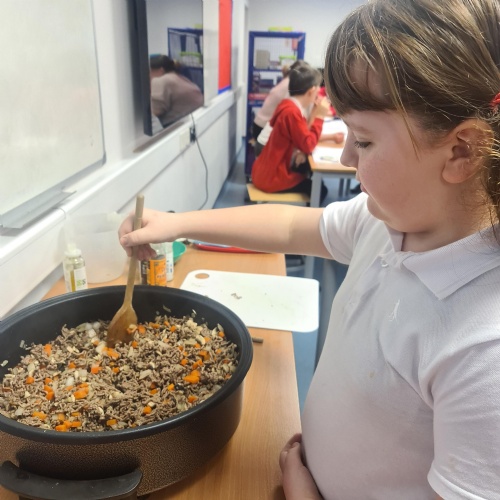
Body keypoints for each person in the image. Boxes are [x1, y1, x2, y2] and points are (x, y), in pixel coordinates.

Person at [118, 0, 500, 497]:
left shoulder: (483, 349)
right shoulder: (383, 221)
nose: (345, 156)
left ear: (462, 150)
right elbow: (290, 224)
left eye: (363, 140)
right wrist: (176, 223)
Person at [251, 62, 330, 203]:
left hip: (263, 171)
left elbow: (301, 135)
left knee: (304, 169)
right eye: (318, 90)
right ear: (311, 91)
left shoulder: (288, 105)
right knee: (319, 189)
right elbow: (308, 144)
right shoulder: (292, 113)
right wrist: (319, 117)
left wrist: (314, 112)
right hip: (270, 177)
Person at [149, 55, 204, 128]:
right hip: (196, 121)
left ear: (161, 70)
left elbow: (153, 112)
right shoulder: (179, 78)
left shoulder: (160, 80)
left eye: (149, 71)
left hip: (178, 126)